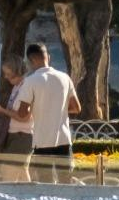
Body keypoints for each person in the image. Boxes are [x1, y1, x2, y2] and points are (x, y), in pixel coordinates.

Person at [7, 41, 79, 169]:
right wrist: (57, 108)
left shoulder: (30, 81)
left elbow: (22, 113)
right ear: (48, 57)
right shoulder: (65, 77)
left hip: (42, 141)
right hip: (64, 139)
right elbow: (76, 108)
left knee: (45, 184)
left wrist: (39, 107)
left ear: (31, 60)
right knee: (66, 182)